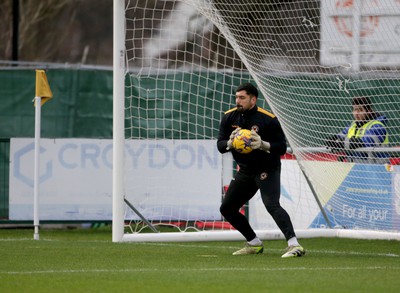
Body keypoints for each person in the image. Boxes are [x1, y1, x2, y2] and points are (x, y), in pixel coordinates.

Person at [217, 82, 305, 258]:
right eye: (236, 97)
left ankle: (295, 245)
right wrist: (229, 142)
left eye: (242, 98)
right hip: (246, 170)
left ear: (253, 99)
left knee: (271, 204)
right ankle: (254, 242)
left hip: (267, 168)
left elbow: (281, 147)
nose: (238, 101)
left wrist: (263, 145)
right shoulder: (229, 117)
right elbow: (220, 145)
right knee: (227, 208)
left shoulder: (268, 119)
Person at [326, 96, 389, 163]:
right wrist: (333, 139)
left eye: (360, 110)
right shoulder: (353, 125)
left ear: (369, 111)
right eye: (354, 109)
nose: (356, 113)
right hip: (355, 168)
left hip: (378, 169)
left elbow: (366, 142)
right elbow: (341, 135)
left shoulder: (378, 126)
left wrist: (342, 144)